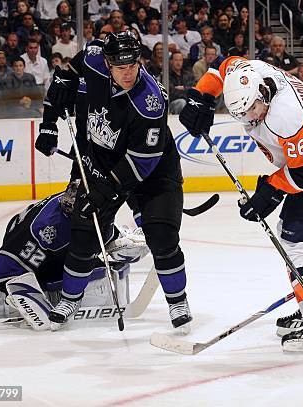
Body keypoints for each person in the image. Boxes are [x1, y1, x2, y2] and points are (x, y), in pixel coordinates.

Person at [178, 55, 303, 351]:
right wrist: (200, 97)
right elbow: (221, 64)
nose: (248, 119)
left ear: (263, 94)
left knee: (298, 240)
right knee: (289, 233)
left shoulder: (288, 115)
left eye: (252, 110)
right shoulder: (251, 74)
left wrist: (271, 191)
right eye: (239, 114)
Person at [34, 31, 193, 332]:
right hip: (102, 162)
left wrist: (105, 191)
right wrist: (48, 125)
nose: (128, 73)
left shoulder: (150, 101)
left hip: (153, 171)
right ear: (107, 63)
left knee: (161, 237)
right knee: (83, 237)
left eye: (132, 65)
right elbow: (63, 80)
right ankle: (70, 299)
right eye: (120, 67)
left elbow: (142, 161)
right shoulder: (93, 58)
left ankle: (178, 301)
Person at [0, 182, 148, 330]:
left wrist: (122, 242)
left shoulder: (78, 203)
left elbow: (98, 233)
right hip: (12, 268)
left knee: (90, 265)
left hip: (33, 251)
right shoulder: (49, 229)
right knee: (83, 271)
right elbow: (4, 268)